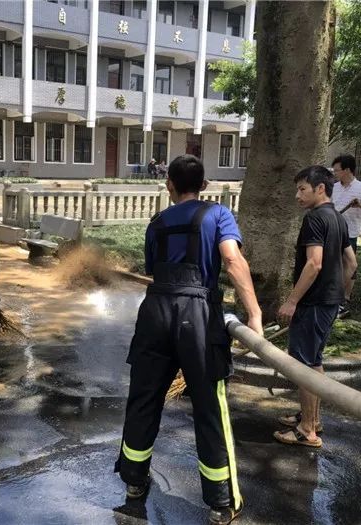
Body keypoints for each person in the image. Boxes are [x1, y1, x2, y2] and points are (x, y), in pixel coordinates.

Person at [115, 155, 263, 525]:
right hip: (197, 315)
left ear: (169, 185)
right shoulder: (218, 215)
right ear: (205, 185)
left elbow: (154, 270)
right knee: (210, 408)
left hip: (155, 313)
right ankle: (219, 501)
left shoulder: (157, 222)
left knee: (144, 399)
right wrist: (255, 314)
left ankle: (134, 481)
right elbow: (232, 260)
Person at [275, 166, 357, 448]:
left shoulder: (314, 219)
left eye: (302, 189)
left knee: (304, 365)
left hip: (312, 303)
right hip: (330, 302)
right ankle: (313, 418)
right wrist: (340, 295)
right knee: (315, 361)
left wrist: (292, 300)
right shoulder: (336, 217)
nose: (297, 195)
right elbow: (352, 263)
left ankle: (307, 430)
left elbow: (314, 263)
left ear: (320, 188)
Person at [331, 154, 361, 317]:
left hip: (350, 233)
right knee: (334, 265)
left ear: (347, 170)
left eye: (337, 170)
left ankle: (344, 300)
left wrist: (360, 205)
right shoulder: (334, 187)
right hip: (333, 231)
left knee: (350, 265)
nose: (335, 173)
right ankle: (333, 297)